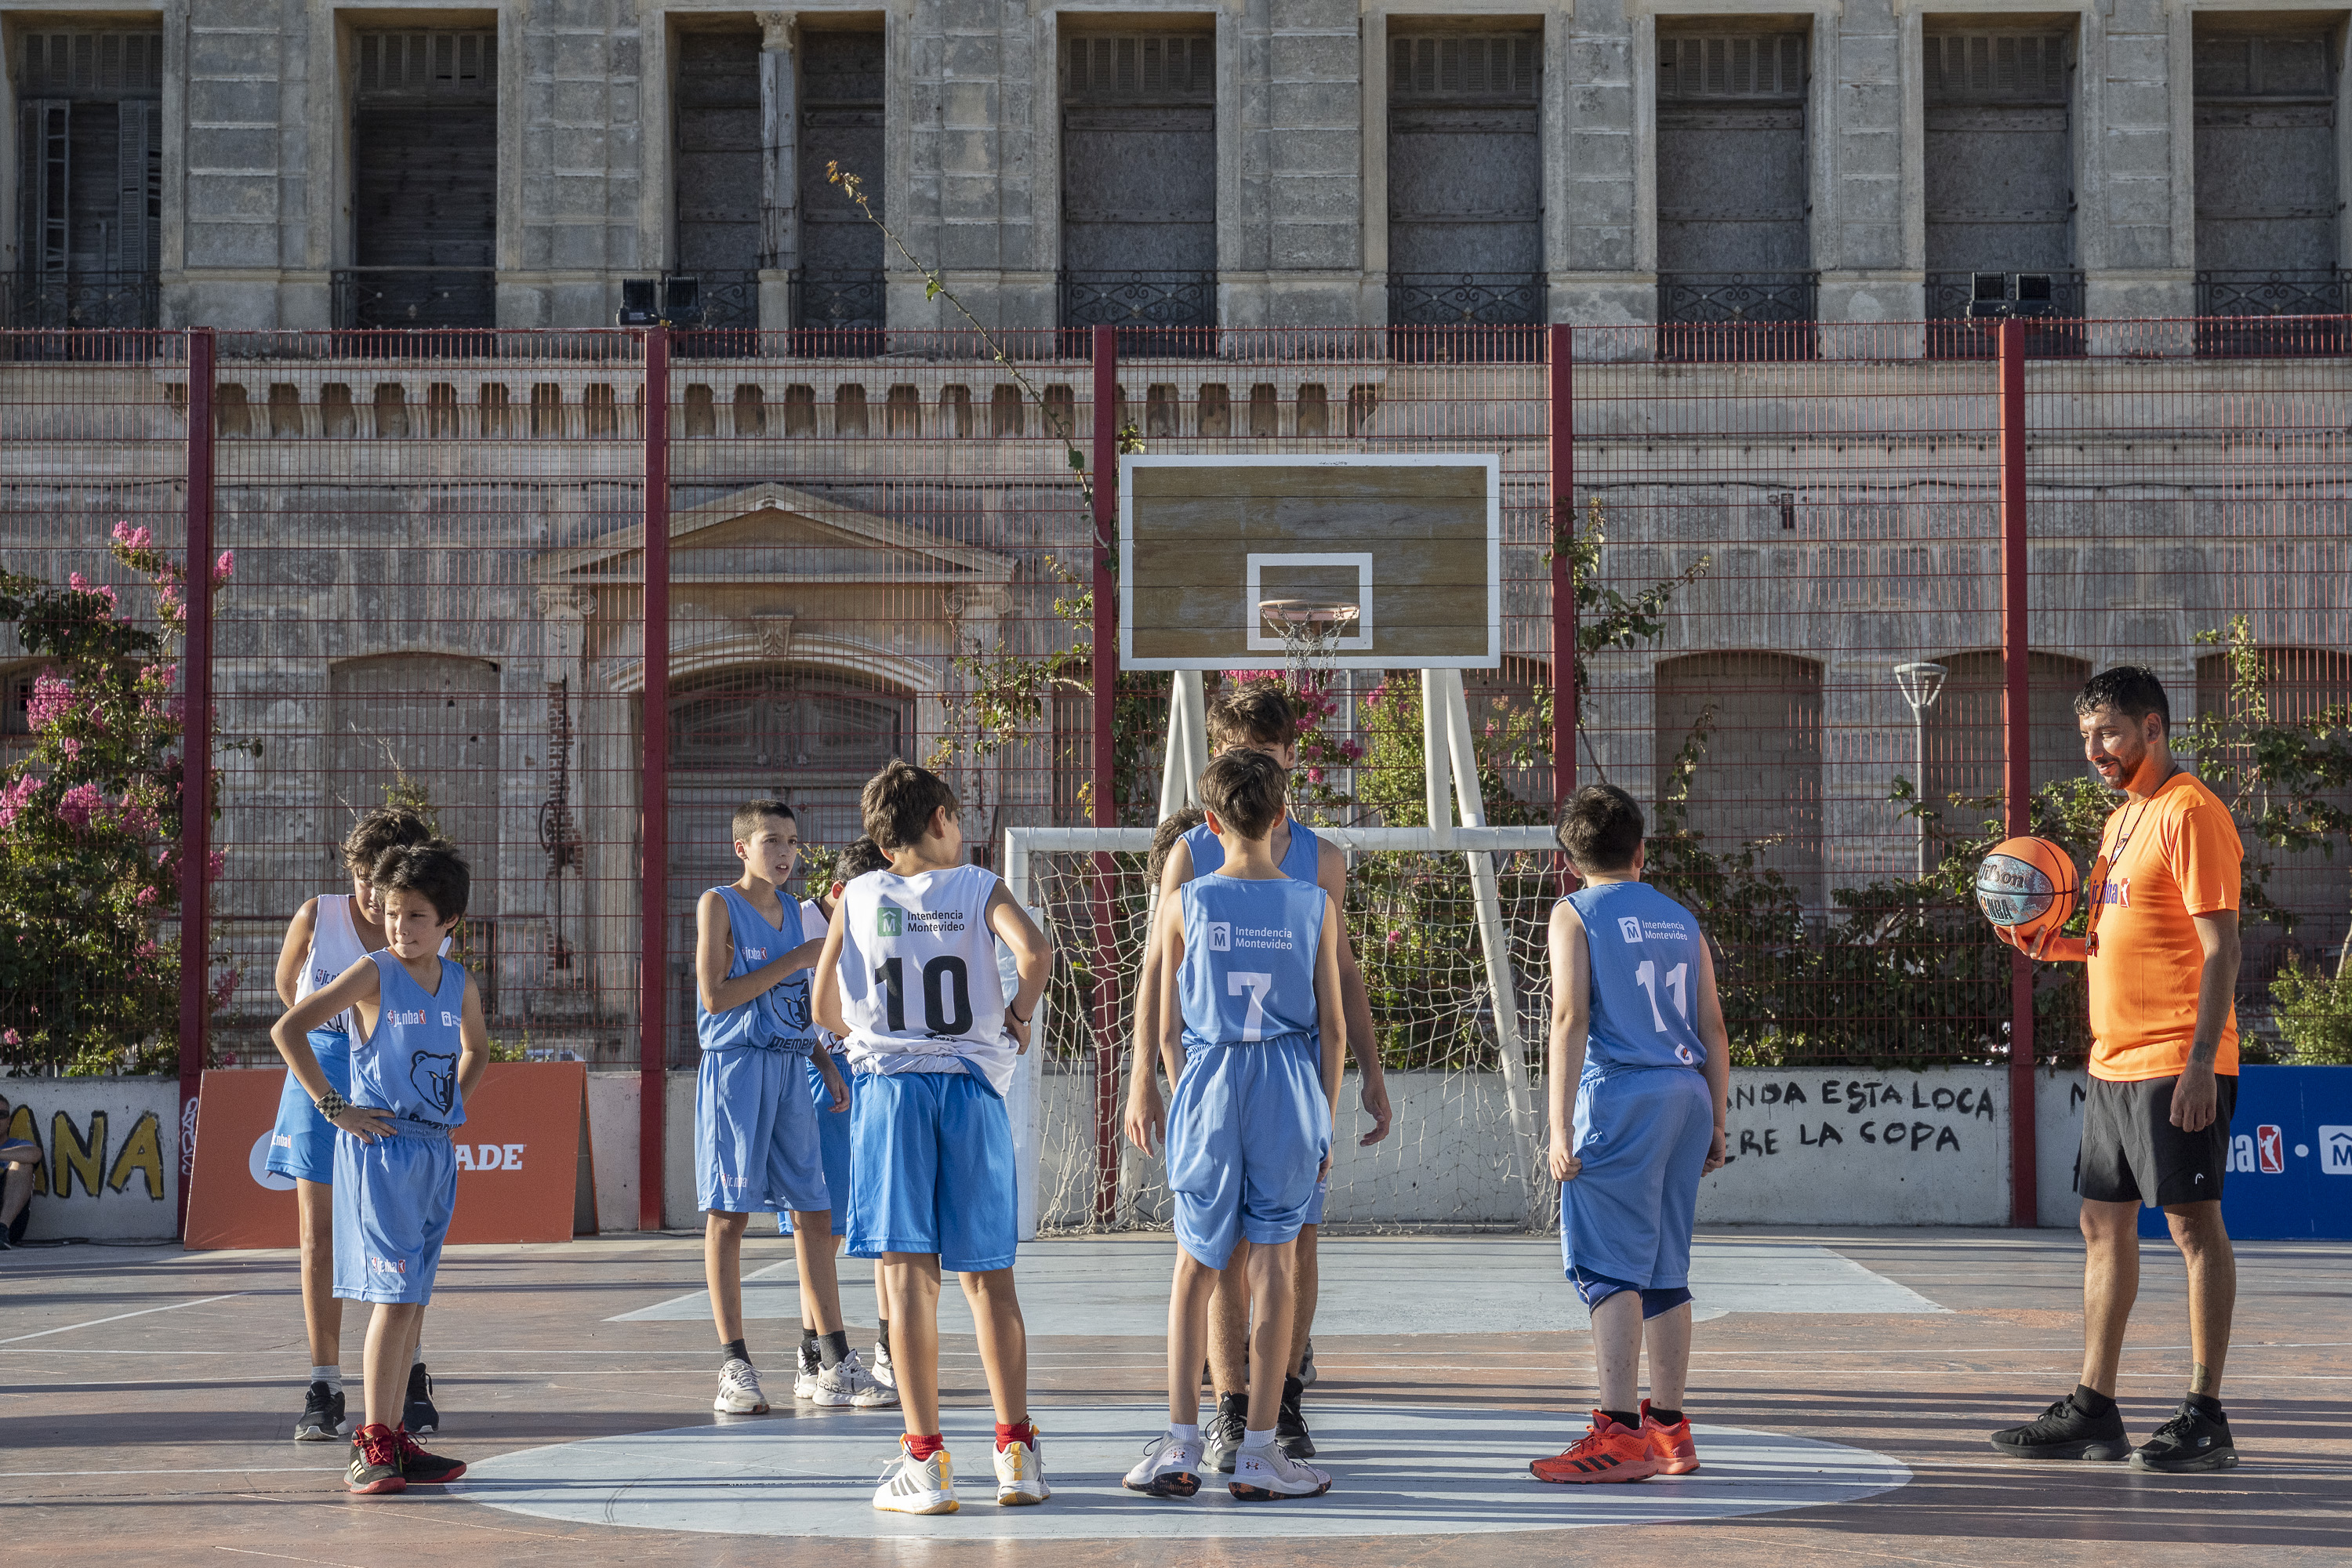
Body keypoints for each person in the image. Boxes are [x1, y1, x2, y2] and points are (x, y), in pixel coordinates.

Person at [1125, 678, 1393, 1468]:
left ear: (1288, 763)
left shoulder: (1321, 859)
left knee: (1294, 1241)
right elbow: (1155, 971)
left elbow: (1342, 981)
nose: (1251, 765)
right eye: (1237, 754)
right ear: (1218, 760)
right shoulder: (1192, 850)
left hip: (1286, 1069)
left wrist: (1370, 1071)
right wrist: (1144, 1071)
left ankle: (1282, 1404)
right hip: (1233, 1072)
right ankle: (1231, 1407)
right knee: (1226, 1251)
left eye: (1264, 755)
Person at [1989, 666, 2245, 1473]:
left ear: (2152, 727)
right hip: (2114, 1060)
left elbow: (2221, 946)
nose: (2097, 750)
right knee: (2103, 1223)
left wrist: (2203, 1062)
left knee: (2192, 1225)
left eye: (2110, 733)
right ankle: (2095, 1407)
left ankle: (2206, 1414)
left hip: (2178, 1056)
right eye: (2088, 737)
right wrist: (2051, 943)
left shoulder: (2190, 812)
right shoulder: (2122, 820)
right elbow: (2114, 937)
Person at [813, 760, 1052, 1515]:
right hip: (971, 1094)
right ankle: (1015, 1454)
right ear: (944, 819)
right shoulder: (980, 887)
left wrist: (879, 1036)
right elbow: (1036, 954)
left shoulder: (855, 895)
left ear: (885, 846)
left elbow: (823, 1004)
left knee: (908, 1279)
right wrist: (1016, 1017)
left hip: (892, 1095)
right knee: (989, 1280)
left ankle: (925, 1462)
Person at [269, 840, 486, 1495]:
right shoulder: (372, 972)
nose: (400, 927)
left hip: (433, 1149)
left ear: (449, 922)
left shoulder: (459, 982)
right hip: (381, 1151)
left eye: (416, 916)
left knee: (414, 1300)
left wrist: (453, 1104)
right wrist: (335, 1107)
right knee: (393, 1302)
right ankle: (370, 1444)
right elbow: (290, 1029)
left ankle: (395, 1437)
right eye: (393, 914)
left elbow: (477, 1048)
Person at [1528, 785, 1728, 1485]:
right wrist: (1719, 1116)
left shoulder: (1574, 912)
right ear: (1641, 851)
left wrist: (1556, 1125)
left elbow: (1569, 1017)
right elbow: (1712, 1028)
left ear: (1570, 860)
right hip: (1687, 1094)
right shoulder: (1680, 918)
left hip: (1621, 1096)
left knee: (1612, 1266)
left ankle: (1616, 1433)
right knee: (1668, 1269)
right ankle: (1670, 1431)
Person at [693, 800, 878, 1414]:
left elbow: (800, 1005)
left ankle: (831, 1361)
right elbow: (716, 997)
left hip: (792, 1068)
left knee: (817, 1213)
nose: (784, 852)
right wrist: (792, 962)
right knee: (730, 1216)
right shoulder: (720, 904)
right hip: (737, 1070)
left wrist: (824, 1061)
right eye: (772, 840)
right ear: (742, 848)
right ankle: (735, 1364)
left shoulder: (797, 918)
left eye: (793, 842)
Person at [266, 806, 443, 1440]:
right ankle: (324, 1382)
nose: (373, 893)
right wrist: (336, 1056)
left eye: (387, 878)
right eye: (365, 876)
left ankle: (410, 1371)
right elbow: (289, 990)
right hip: (323, 1076)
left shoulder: (423, 931)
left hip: (396, 1086)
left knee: (402, 1240)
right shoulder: (319, 916)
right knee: (319, 1239)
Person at [784, 833, 898, 1401]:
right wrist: (828, 1062)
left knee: (877, 1216)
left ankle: (886, 1352)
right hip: (818, 1071)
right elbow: (802, 1015)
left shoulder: (882, 921)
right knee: (822, 1224)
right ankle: (818, 1357)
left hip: (868, 1072)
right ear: (838, 892)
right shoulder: (798, 924)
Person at [0, 1092, 39, 1249]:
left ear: (8, 1121)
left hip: (10, 1226)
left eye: (1, 1115)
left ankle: (1, 1230)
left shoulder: (19, 1145)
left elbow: (35, 1154)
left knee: (23, 1163)